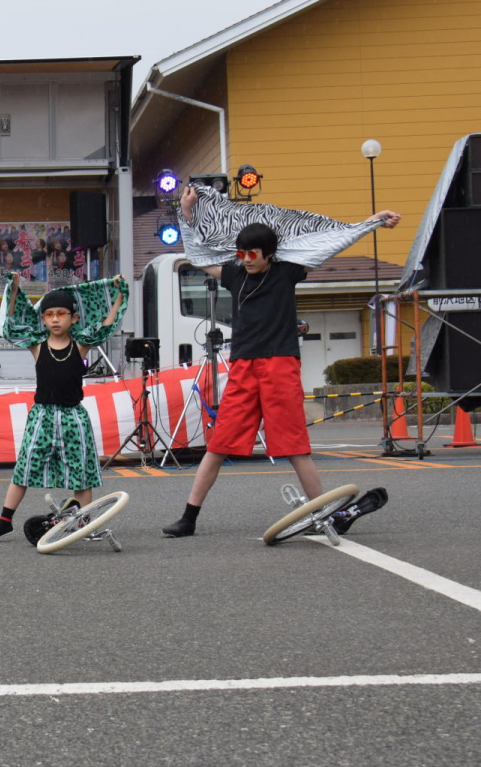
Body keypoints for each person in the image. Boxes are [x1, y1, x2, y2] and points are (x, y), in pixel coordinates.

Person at [161, 185, 401, 537]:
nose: (246, 258)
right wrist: (186, 215)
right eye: (242, 252)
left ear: (269, 253)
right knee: (218, 444)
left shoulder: (287, 272)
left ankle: (324, 514)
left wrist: (370, 223)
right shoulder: (233, 275)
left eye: (253, 253)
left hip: (279, 365)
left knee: (293, 446)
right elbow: (197, 256)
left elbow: (328, 243)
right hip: (243, 366)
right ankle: (188, 518)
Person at [0, 272, 127, 541]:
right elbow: (12, 324)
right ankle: (4, 521)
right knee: (24, 469)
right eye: (49, 314)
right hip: (42, 417)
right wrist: (14, 289)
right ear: (43, 319)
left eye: (61, 314)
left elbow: (107, 323)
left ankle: (84, 523)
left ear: (74, 318)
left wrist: (120, 294)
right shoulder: (37, 346)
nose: (55, 319)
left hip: (74, 417)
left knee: (82, 474)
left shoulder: (80, 345)